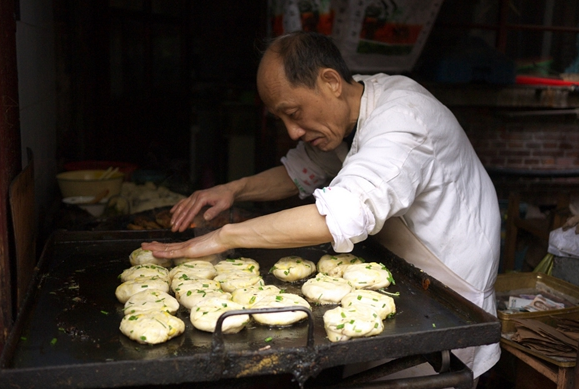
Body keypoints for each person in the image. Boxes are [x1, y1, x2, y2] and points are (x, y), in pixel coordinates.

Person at [142, 31, 501, 383]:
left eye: (294, 112)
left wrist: (225, 236)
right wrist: (234, 190)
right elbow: (304, 169)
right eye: (281, 119)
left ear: (330, 81)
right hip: (397, 281)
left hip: (444, 295)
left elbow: (339, 216)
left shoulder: (404, 121)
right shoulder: (350, 106)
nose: (292, 131)